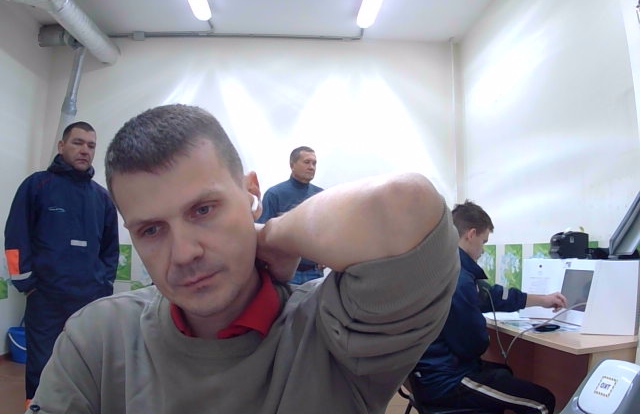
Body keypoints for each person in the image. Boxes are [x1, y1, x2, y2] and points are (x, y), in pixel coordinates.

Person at [27, 104, 460, 414]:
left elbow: (405, 205)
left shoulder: (335, 332)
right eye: (151, 230)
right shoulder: (98, 338)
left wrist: (275, 234)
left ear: (251, 192)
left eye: (203, 210)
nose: (184, 254)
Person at [412, 200, 567, 414]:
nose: (483, 250)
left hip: (429, 375)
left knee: (504, 372)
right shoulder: (459, 278)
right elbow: (473, 344)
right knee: (542, 401)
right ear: (471, 234)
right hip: (447, 381)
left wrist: (542, 300)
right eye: (483, 241)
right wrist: (482, 330)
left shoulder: (444, 266)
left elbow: (492, 296)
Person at [4, 121, 119, 406]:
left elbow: (110, 250)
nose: (85, 150)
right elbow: (16, 238)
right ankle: (38, 408)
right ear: (61, 146)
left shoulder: (102, 198)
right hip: (46, 297)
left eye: (91, 145)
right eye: (77, 143)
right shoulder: (37, 186)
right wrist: (27, 284)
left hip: (89, 299)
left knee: (87, 362)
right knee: (42, 363)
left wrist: (103, 286)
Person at [257, 146, 325, 284]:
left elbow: (326, 230)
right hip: (285, 273)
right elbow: (262, 234)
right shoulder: (274, 194)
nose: (311, 167)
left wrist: (327, 256)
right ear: (292, 165)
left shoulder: (321, 195)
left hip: (314, 272)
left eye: (314, 163)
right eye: (307, 162)